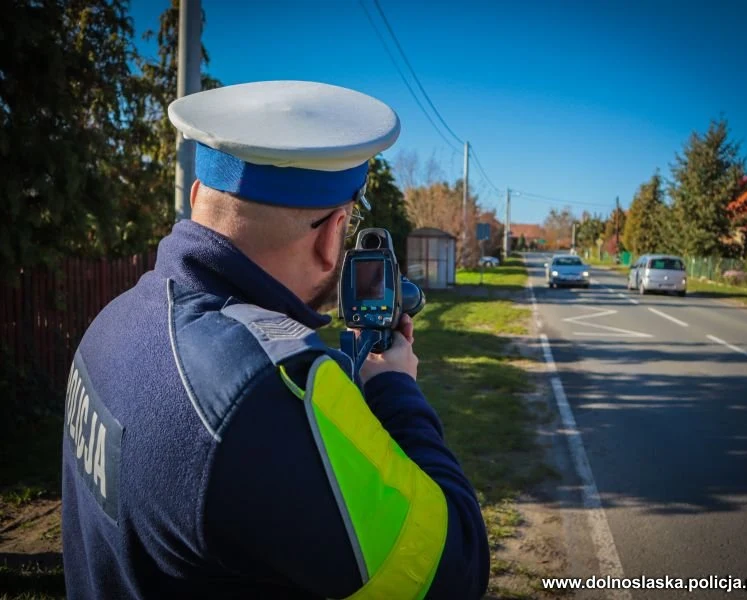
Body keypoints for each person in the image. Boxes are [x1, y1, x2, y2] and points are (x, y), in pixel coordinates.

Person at [61, 81, 489, 599]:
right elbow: (454, 570)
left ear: (198, 197)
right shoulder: (269, 393)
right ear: (333, 236)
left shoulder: (111, 324)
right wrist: (396, 390)